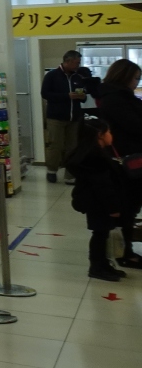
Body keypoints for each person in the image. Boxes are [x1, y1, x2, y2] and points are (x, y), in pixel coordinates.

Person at [68, 116, 134, 280]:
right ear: (100, 135)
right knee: (100, 234)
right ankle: (97, 267)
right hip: (99, 203)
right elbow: (102, 185)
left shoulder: (92, 154)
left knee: (102, 233)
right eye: (109, 132)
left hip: (96, 201)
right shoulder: (96, 158)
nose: (111, 135)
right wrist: (113, 207)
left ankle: (103, 264)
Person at [96, 58, 142, 269]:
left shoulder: (120, 96)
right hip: (125, 161)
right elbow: (135, 126)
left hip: (128, 159)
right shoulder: (115, 99)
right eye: (135, 78)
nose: (136, 82)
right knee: (125, 207)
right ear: (124, 77)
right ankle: (123, 252)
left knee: (129, 207)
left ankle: (125, 250)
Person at [41, 50, 98, 184]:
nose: (78, 65)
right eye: (77, 63)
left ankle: (70, 174)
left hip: (74, 118)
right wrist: (66, 96)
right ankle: (52, 170)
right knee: (55, 145)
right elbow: (45, 94)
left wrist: (82, 96)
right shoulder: (52, 76)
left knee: (72, 147)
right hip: (56, 117)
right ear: (68, 61)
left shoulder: (77, 77)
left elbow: (83, 95)